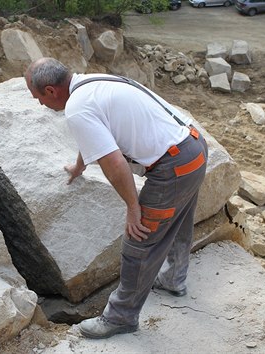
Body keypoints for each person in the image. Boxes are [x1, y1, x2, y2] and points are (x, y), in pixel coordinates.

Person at [24, 57, 209, 339]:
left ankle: (121, 317)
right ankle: (174, 279)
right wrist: (80, 165)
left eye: (37, 97)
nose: (39, 104)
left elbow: (115, 164)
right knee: (179, 221)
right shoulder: (91, 83)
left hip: (173, 167)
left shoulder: (76, 108)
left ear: (51, 90)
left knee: (139, 242)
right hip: (193, 148)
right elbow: (98, 137)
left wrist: (133, 208)